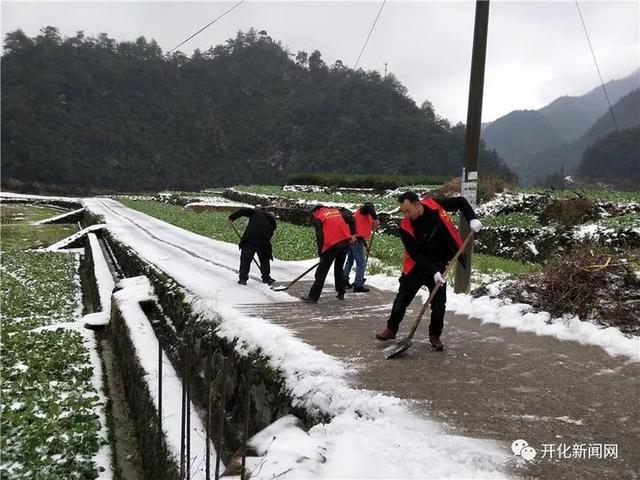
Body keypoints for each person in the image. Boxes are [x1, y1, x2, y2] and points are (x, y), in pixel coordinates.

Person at [375, 191, 482, 351]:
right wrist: (432, 271)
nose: (406, 214)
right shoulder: (405, 226)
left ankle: (435, 336)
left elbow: (460, 202)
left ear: (418, 204)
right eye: (403, 211)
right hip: (416, 266)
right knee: (401, 300)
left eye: (408, 210)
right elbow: (415, 254)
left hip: (439, 262)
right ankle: (391, 329)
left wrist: (471, 217)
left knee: (439, 304)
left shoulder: (434, 205)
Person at [301, 205, 356, 303]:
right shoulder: (336, 212)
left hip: (332, 245)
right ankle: (341, 292)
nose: (313, 216)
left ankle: (313, 297)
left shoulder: (319, 217)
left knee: (321, 273)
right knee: (339, 269)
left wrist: (321, 253)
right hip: (344, 243)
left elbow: (320, 237)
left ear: (316, 211)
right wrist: (353, 234)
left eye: (313, 214)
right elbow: (352, 219)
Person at [228, 206, 277, 285]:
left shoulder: (256, 212)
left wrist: (231, 218)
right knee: (264, 260)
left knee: (246, 260)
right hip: (263, 242)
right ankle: (266, 278)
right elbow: (270, 234)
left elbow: (243, 210)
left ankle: (243, 279)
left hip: (249, 240)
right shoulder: (272, 221)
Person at [343, 202, 379, 293]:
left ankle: (344, 281)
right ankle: (358, 285)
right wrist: (376, 218)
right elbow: (368, 208)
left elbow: (361, 229)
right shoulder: (363, 211)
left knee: (349, 261)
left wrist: (366, 245)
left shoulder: (358, 215)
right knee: (361, 264)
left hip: (351, 239)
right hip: (357, 240)